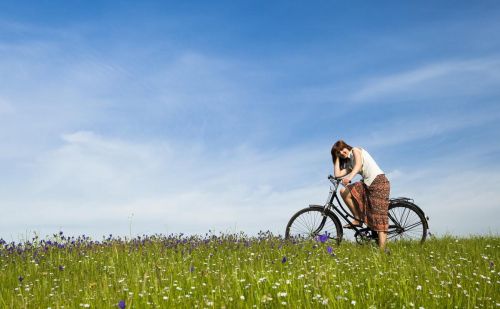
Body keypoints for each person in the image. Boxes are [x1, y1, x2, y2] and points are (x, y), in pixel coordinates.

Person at [331, 140, 390, 249]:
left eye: (342, 149)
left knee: (379, 216)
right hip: (367, 184)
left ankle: (382, 251)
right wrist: (336, 158)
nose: (342, 153)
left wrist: (349, 177)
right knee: (344, 191)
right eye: (338, 153)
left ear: (346, 147)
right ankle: (358, 219)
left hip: (378, 182)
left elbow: (359, 165)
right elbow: (337, 174)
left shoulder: (355, 150)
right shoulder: (349, 163)